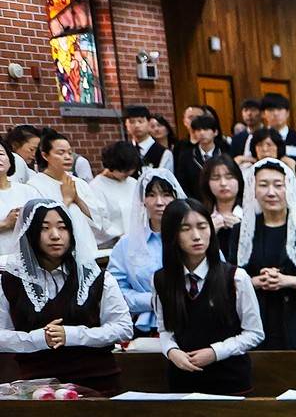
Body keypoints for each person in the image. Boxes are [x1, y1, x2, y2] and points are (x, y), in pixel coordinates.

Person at [0, 200, 131, 390]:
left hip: (98, 381)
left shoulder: (97, 278)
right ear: (29, 232)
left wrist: (72, 335)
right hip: (37, 387)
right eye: (45, 228)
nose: (55, 235)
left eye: (62, 227)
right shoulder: (9, 282)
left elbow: (123, 328)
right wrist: (38, 339)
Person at [152, 196, 261, 395]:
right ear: (172, 234)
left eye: (202, 226)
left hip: (230, 381)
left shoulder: (235, 277)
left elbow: (254, 333)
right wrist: (171, 351)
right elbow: (165, 329)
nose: (196, 236)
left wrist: (215, 352)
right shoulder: (162, 279)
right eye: (185, 229)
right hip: (182, 381)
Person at [236, 158, 296, 350]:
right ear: (253, 190)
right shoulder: (241, 231)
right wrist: (254, 282)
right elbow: (229, 278)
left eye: (278, 185)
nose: (271, 192)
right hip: (258, 325)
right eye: (263, 185)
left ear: (289, 188)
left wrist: (290, 281)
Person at [108, 167, 184, 336]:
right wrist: (153, 300)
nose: (159, 202)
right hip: (145, 328)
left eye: (166, 194)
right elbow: (114, 291)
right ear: (142, 200)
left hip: (189, 321)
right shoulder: (126, 244)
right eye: (151, 195)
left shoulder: (192, 237)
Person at [87, 141, 143, 244]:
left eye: (131, 170)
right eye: (124, 171)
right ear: (112, 166)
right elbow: (99, 221)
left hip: (137, 239)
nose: (128, 174)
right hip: (111, 243)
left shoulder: (133, 183)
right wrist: (119, 235)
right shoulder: (96, 187)